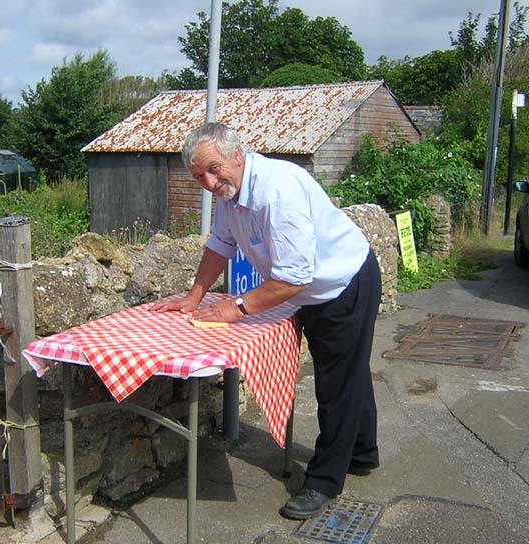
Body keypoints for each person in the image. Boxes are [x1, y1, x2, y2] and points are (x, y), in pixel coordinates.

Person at [150, 122, 382, 520]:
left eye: (213, 168)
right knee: (348, 372)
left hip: (342, 283)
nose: (208, 181)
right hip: (313, 289)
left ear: (237, 155)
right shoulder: (231, 191)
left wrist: (235, 308)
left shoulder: (278, 191)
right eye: (197, 176)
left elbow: (295, 276)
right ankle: (362, 453)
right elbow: (219, 245)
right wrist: (194, 296)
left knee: (336, 385)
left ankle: (325, 481)